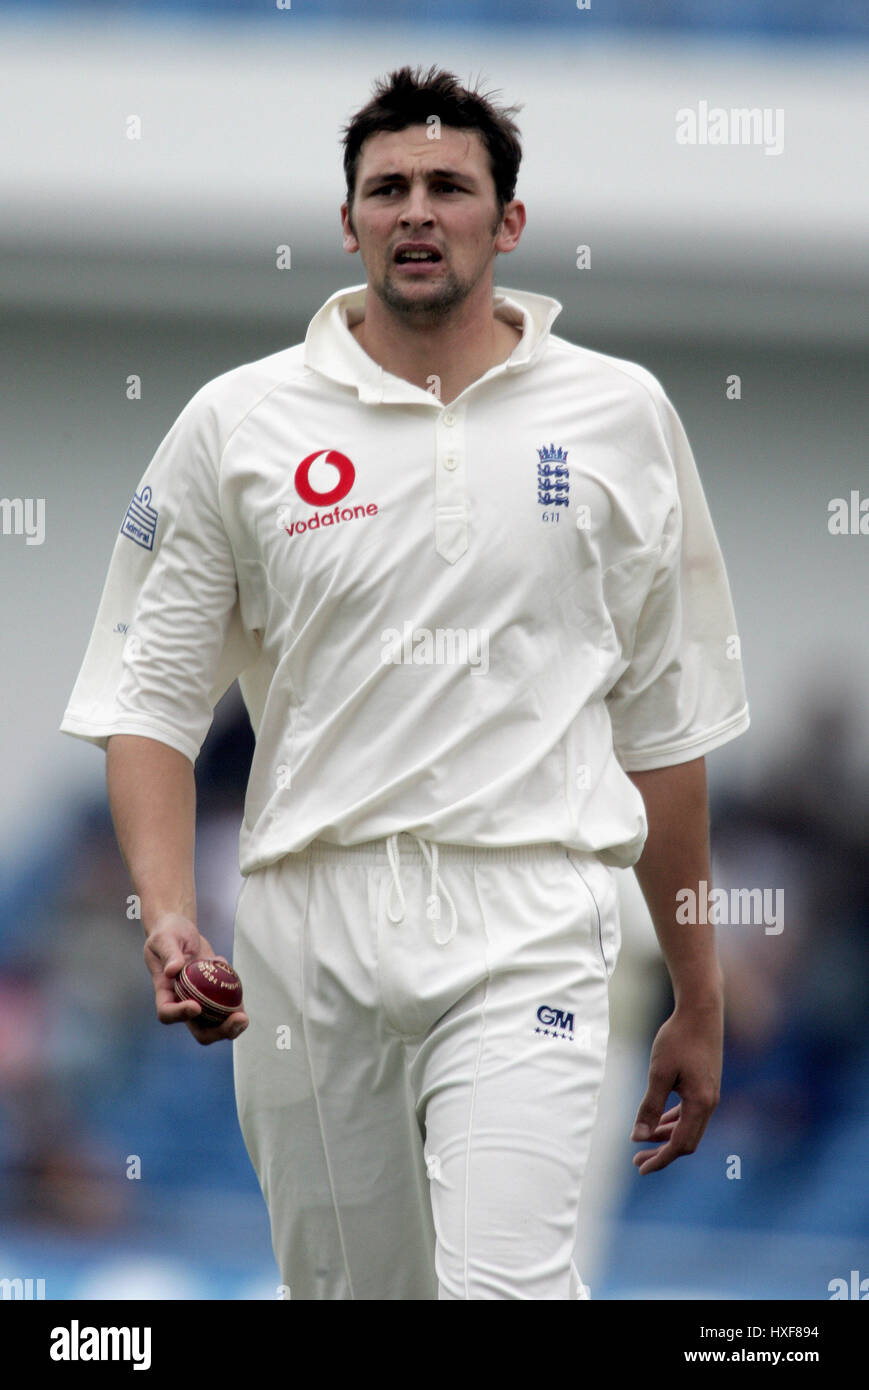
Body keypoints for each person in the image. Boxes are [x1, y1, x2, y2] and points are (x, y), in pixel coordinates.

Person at [60, 64, 750, 1300]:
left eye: (448, 186)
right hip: (304, 924)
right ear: (348, 223)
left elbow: (666, 731)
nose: (415, 210)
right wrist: (167, 913)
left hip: (530, 912)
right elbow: (147, 700)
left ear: (508, 222)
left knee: (505, 1291)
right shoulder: (238, 423)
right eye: (386, 188)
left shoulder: (620, 416)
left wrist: (696, 992)